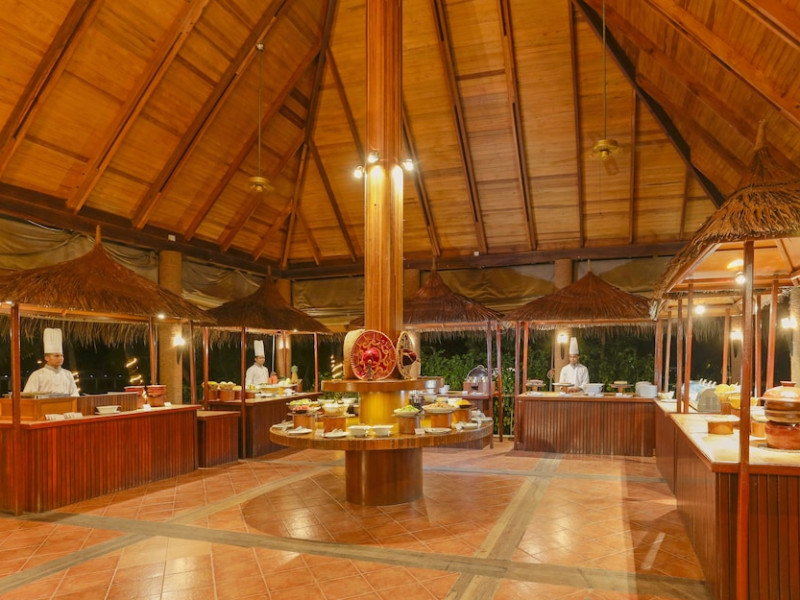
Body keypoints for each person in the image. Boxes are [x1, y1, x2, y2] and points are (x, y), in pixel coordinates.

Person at [23, 328, 79, 397]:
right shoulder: (37, 375)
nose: (61, 358)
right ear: (47, 358)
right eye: (57, 356)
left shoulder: (68, 374)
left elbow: (75, 395)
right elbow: (28, 396)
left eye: (62, 356)